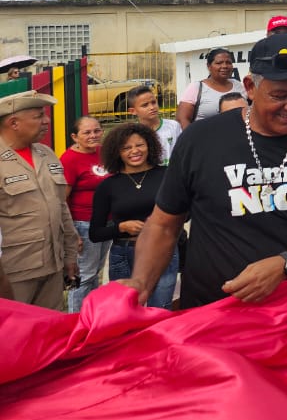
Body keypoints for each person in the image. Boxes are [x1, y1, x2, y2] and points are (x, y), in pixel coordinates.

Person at [121, 34, 287, 308]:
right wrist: (140, 282)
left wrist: (286, 265)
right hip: (212, 314)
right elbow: (163, 226)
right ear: (250, 87)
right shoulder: (201, 139)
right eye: (280, 96)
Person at [0, 91, 77, 309]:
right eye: (38, 116)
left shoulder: (46, 153)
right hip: (13, 271)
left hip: (53, 267)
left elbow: (61, 207)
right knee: (12, 334)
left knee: (49, 332)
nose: (47, 120)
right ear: (14, 122)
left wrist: (70, 256)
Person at [89, 124, 178, 309]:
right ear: (117, 152)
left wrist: (159, 222)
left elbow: (184, 213)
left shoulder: (167, 175)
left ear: (150, 145)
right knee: (124, 312)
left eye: (140, 145)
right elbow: (95, 233)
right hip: (123, 253)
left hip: (161, 250)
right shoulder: (107, 186)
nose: (134, 151)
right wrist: (121, 227)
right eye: (126, 148)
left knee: (160, 310)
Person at [60, 116, 110, 312]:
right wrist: (72, 233)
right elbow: (62, 199)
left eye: (97, 131)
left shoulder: (102, 152)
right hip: (83, 224)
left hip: (105, 223)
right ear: (74, 136)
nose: (93, 135)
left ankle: (90, 316)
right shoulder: (69, 159)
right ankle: (75, 320)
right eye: (87, 132)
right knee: (83, 275)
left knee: (95, 272)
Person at [176, 47, 246, 128]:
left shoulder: (240, 86)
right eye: (219, 63)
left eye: (228, 62)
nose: (225, 66)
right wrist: (192, 139)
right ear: (209, 66)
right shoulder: (196, 88)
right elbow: (182, 119)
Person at [127, 84, 182, 164]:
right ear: (133, 111)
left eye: (153, 102)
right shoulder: (133, 134)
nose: (152, 107)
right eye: (145, 105)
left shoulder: (173, 126)